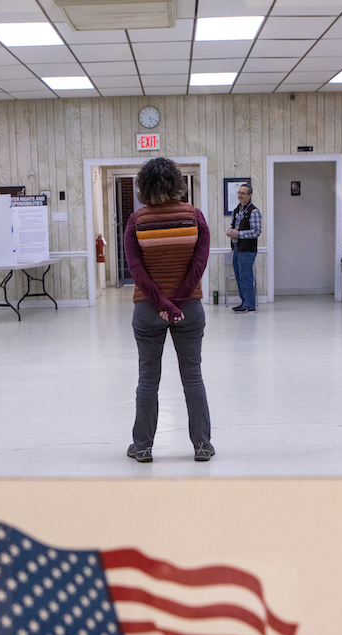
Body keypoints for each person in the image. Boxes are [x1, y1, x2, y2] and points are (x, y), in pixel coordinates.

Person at [123, 157, 214, 463]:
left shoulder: (136, 222)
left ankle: (143, 446)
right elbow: (198, 266)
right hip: (188, 310)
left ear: (143, 186)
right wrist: (177, 304)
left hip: (148, 312)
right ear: (178, 183)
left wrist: (161, 304)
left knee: (148, 379)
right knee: (193, 377)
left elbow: (136, 271)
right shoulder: (195, 217)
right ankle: (202, 445)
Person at [227, 183, 261, 313]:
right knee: (239, 276)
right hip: (236, 247)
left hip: (247, 249)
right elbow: (233, 226)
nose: (240, 195)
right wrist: (230, 232)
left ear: (249, 195)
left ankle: (249, 304)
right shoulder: (236, 210)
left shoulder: (254, 211)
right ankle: (244, 302)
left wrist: (239, 234)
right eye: (239, 193)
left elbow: (256, 231)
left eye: (243, 193)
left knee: (246, 276)